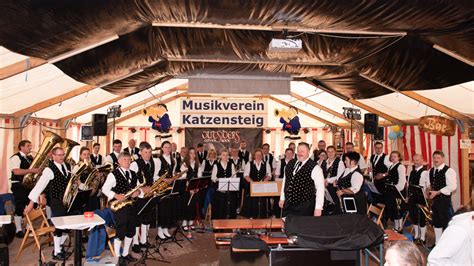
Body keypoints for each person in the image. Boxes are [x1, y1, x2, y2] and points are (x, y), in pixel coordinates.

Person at [25, 147, 75, 260]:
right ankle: (56, 252)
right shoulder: (49, 170)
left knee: (67, 226)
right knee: (59, 226)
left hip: (66, 201)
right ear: (53, 156)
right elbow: (39, 186)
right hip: (56, 201)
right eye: (59, 155)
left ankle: (59, 247)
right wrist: (31, 203)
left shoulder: (67, 166)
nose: (62, 157)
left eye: (63, 154)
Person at [102, 152, 143, 264]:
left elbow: (140, 189)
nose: (128, 162)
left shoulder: (134, 174)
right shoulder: (113, 174)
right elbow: (105, 189)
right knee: (121, 230)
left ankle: (125, 253)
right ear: (119, 161)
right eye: (125, 159)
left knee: (131, 230)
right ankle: (117, 256)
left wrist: (138, 192)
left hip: (131, 205)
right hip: (119, 207)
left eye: (129, 159)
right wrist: (116, 195)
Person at [279, 142, 325, 217]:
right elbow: (285, 181)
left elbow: (320, 189)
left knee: (303, 228)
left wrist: (318, 208)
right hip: (288, 205)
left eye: (302, 151)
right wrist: (282, 198)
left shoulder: (315, 168)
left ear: (308, 152)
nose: (300, 153)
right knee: (287, 226)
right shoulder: (290, 163)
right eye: (298, 151)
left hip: (305, 207)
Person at [129, 142, 158, 253]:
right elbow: (131, 181)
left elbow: (151, 178)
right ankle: (135, 243)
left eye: (150, 152)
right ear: (140, 152)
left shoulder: (151, 163)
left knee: (146, 218)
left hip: (149, 195)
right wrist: (141, 189)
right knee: (137, 220)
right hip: (138, 196)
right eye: (145, 152)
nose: (148, 154)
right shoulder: (135, 164)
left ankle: (144, 241)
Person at [9, 140, 40, 238]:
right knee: (20, 206)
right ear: (21, 147)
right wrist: (31, 170)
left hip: (29, 185)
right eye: (28, 146)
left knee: (30, 206)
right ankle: (18, 230)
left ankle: (28, 227)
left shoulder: (30, 158)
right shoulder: (15, 157)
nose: (30, 148)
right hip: (18, 185)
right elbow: (16, 172)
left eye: (30, 146)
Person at [427, 150, 457, 246]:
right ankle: (438, 243)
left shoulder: (449, 171)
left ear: (443, 159)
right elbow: (429, 183)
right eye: (434, 158)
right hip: (435, 200)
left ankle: (446, 245)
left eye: (438, 158)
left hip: (444, 200)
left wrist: (437, 192)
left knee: (445, 222)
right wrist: (428, 190)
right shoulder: (431, 170)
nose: (436, 160)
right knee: (436, 221)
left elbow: (452, 186)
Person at [155, 141, 177, 240]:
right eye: (166, 147)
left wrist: (174, 177)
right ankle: (160, 230)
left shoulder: (174, 160)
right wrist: (165, 180)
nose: (168, 149)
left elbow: (172, 172)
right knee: (162, 209)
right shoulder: (158, 160)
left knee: (169, 209)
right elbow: (155, 175)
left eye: (169, 147)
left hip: (170, 187)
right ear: (162, 148)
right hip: (161, 187)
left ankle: (165, 229)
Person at [242, 149, 271, 218]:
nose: (258, 156)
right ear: (254, 156)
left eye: (260, 155)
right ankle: (251, 217)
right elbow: (246, 175)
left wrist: (264, 181)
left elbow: (269, 175)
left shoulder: (266, 164)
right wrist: (253, 183)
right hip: (251, 187)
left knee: (262, 202)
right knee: (252, 202)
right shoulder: (249, 163)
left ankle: (262, 217)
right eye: (257, 155)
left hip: (262, 187)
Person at [407, 154, 429, 245]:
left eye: (417, 160)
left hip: (420, 197)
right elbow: (409, 185)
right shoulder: (412, 172)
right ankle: (416, 235)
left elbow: (425, 186)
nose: (415, 162)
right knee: (414, 216)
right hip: (412, 197)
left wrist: (423, 200)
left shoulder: (424, 172)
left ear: (422, 161)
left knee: (422, 218)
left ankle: (423, 237)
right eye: (414, 160)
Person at [179, 148, 202, 231]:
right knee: (186, 205)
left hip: (195, 188)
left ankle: (191, 222)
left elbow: (199, 177)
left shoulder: (198, 164)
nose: (192, 155)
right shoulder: (184, 164)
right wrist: (189, 187)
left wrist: (197, 187)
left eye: (194, 153)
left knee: (193, 205)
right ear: (188, 154)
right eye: (190, 153)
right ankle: (185, 222)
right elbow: (183, 177)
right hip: (186, 188)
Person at [383, 151, 407, 232]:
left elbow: (402, 181)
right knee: (394, 210)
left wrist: (397, 190)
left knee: (398, 210)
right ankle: (396, 227)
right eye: (392, 156)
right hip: (392, 192)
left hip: (398, 192)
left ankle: (399, 228)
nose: (393, 158)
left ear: (399, 157)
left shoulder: (401, 167)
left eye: (395, 156)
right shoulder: (391, 166)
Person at [211, 149, 237, 219]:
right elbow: (213, 178)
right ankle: (219, 221)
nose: (225, 157)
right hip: (219, 189)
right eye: (223, 155)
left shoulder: (231, 165)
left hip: (229, 189)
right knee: (220, 204)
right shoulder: (216, 165)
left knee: (231, 203)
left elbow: (234, 176)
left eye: (226, 155)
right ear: (220, 156)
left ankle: (230, 221)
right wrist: (221, 180)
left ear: (228, 156)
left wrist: (230, 180)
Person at [324, 146, 345, 215]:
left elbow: (340, 176)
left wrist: (327, 180)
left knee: (336, 205)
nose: (330, 153)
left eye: (332, 151)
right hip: (325, 186)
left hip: (334, 187)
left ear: (335, 152)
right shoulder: (325, 162)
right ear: (326, 153)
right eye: (329, 152)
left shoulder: (339, 162)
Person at [273, 148, 294, 217]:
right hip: (281, 183)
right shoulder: (280, 162)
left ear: (293, 154)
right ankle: (277, 214)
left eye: (290, 153)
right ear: (285, 154)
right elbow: (277, 174)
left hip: (292, 185)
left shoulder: (296, 162)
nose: (289, 155)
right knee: (279, 199)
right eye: (287, 153)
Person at [200, 149, 217, 218]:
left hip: (214, 183)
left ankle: (206, 210)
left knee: (210, 193)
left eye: (213, 153)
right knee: (207, 193)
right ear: (209, 154)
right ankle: (207, 210)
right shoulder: (205, 161)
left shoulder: (217, 162)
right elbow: (202, 172)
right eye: (211, 153)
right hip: (206, 183)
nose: (212, 154)